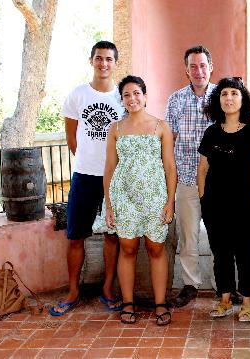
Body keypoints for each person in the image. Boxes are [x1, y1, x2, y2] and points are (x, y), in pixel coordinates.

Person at [50, 41, 125, 316]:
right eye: (99, 58)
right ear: (91, 60)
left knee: (112, 236)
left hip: (114, 178)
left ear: (116, 62)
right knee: (75, 236)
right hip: (83, 176)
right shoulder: (77, 95)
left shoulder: (122, 97)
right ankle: (73, 291)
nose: (103, 63)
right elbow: (72, 138)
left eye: (108, 59)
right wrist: (88, 161)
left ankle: (107, 288)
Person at [104, 75, 177, 325]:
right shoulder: (115, 129)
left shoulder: (161, 127)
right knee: (127, 248)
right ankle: (127, 303)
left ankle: (160, 303)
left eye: (136, 93)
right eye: (126, 95)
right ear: (122, 100)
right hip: (124, 198)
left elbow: (169, 167)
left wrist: (170, 202)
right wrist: (109, 204)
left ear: (145, 96)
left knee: (156, 249)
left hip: (155, 198)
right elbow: (110, 169)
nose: (132, 98)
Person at [197, 77, 250, 322]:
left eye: (234, 93)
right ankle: (225, 300)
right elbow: (202, 170)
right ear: (218, 100)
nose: (229, 98)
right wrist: (203, 198)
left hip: (246, 207)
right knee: (222, 254)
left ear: (242, 99)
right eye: (224, 94)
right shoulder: (212, 132)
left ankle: (247, 303)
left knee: (246, 255)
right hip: (215, 207)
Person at [165, 45, 216, 307]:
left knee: (222, 235)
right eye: (193, 66)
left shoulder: (224, 96)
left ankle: (225, 286)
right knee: (188, 237)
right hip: (186, 179)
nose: (199, 71)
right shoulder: (175, 100)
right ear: (186, 70)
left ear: (211, 67)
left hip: (219, 182)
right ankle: (190, 285)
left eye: (203, 65)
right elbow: (169, 140)